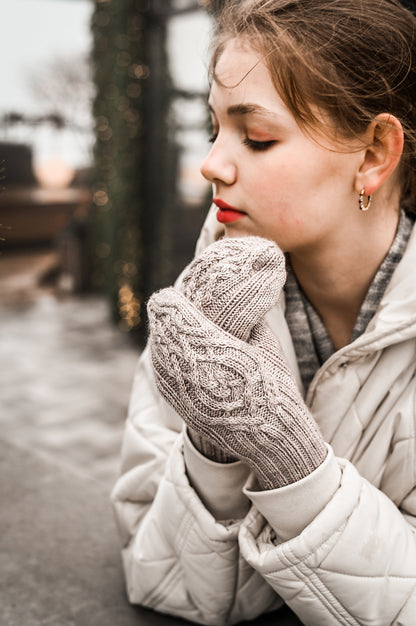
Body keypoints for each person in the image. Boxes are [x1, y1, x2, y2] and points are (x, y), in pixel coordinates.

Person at [111, 0, 416, 624]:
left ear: (374, 154)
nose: (212, 164)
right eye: (214, 129)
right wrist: (213, 444)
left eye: (257, 137)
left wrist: (289, 462)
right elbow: (159, 576)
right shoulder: (208, 307)